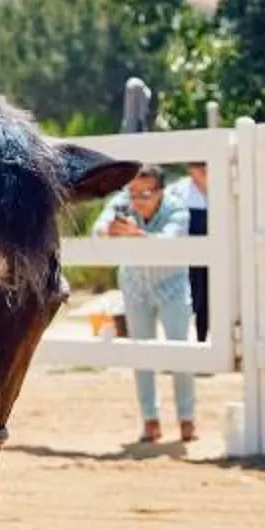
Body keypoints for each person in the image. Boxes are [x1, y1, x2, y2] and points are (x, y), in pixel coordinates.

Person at [94, 165, 195, 447]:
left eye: (145, 193)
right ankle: (150, 421)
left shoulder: (178, 209)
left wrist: (134, 234)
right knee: (141, 354)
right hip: (135, 285)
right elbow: (98, 229)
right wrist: (111, 231)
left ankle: (187, 418)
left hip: (171, 286)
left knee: (180, 353)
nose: (136, 199)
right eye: (133, 192)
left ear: (160, 191)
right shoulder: (123, 202)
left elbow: (167, 242)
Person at [166, 159, 210, 342]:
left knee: (209, 297)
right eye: (198, 167)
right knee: (191, 296)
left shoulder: (222, 186)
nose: (202, 170)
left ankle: (203, 340)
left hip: (213, 250)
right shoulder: (178, 190)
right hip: (187, 251)